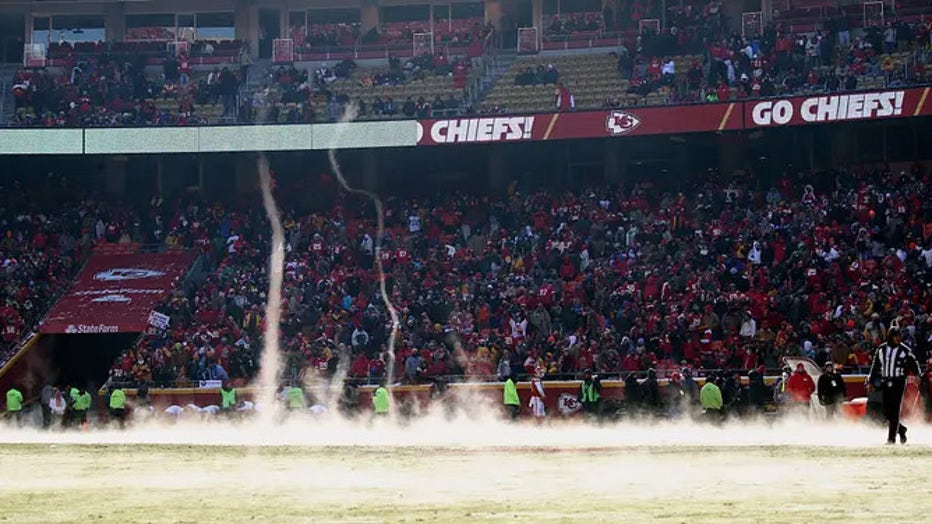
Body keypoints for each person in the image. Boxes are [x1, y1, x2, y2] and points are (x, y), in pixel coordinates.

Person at [867, 327, 920, 444]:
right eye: (896, 336)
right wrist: (871, 381)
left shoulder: (905, 350)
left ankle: (891, 439)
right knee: (886, 412)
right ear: (890, 336)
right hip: (885, 382)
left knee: (895, 410)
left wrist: (917, 375)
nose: (898, 338)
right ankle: (901, 429)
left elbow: (913, 362)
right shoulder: (881, 349)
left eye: (899, 336)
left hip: (899, 382)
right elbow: (875, 367)